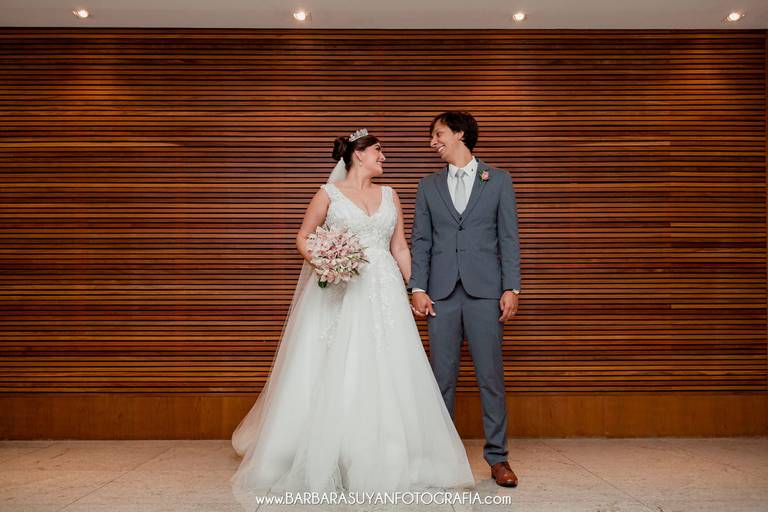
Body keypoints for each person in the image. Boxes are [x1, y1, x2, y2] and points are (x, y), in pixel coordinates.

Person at [230, 129, 474, 505]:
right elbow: (303, 236)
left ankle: (395, 453)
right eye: (379, 151)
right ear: (359, 154)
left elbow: (400, 247)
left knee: (390, 365)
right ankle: (326, 454)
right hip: (343, 290)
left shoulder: (390, 195)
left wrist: (416, 288)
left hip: (385, 290)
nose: (384, 157)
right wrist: (325, 260)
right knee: (336, 365)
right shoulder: (328, 194)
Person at [409, 111, 521, 487]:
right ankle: (441, 459)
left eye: (438, 134)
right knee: (441, 378)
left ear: (459, 134)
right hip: (440, 294)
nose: (433, 142)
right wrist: (418, 288)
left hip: (486, 292)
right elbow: (421, 240)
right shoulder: (428, 186)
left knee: (490, 377)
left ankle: (498, 458)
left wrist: (511, 288)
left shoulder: (499, 180)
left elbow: (508, 238)